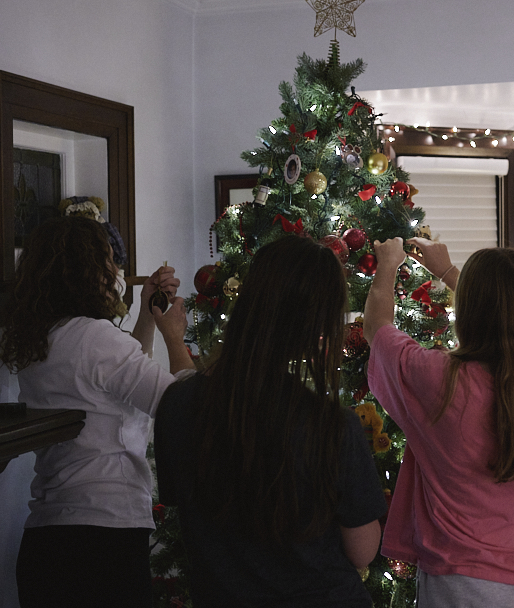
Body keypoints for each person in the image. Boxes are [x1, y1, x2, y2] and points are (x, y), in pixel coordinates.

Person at [153, 234, 387, 608]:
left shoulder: (177, 405)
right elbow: (362, 551)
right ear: (317, 325)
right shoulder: (331, 427)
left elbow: (185, 512)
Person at [364, 237, 514, 608]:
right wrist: (450, 272)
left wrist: (387, 264)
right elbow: (509, 316)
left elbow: (377, 328)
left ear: (467, 309)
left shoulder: (439, 379)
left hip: (463, 584)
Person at [0, 215, 192, 608]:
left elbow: (117, 384)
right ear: (90, 271)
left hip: (46, 540)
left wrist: (146, 316)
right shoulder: (96, 339)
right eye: (109, 261)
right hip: (104, 542)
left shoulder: (43, 338)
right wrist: (174, 336)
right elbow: (185, 408)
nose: (115, 272)